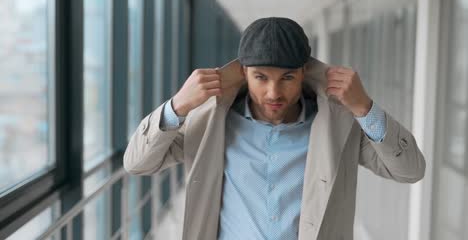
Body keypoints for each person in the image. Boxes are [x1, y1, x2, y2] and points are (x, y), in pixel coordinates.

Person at [123, 17, 426, 240]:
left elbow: (409, 171)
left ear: (304, 72)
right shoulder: (209, 122)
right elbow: (136, 163)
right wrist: (177, 107)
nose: (273, 93)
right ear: (243, 72)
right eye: (261, 77)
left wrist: (364, 108)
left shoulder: (338, 127)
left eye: (287, 78)